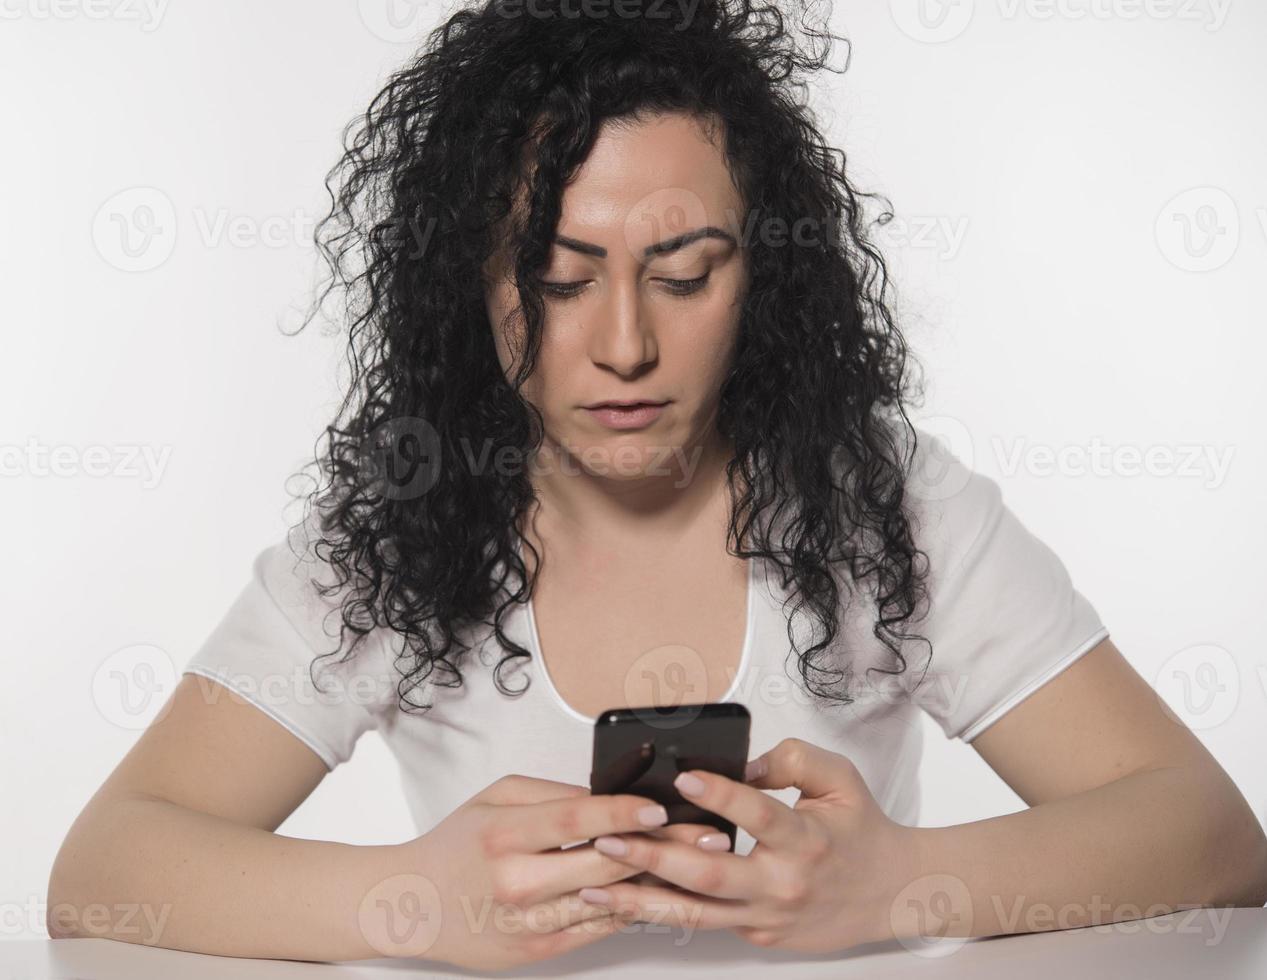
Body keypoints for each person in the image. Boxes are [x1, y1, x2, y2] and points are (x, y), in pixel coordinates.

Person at [47, 0, 1267, 971]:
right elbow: (102, 872)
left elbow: (1209, 834)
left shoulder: (889, 502)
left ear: (766, 282)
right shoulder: (397, 526)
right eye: (560, 279)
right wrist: (408, 895)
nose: (622, 345)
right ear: (469, 288)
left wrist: (891, 881)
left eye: (682, 275)